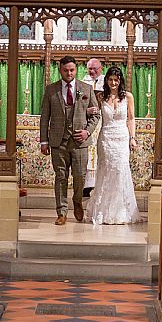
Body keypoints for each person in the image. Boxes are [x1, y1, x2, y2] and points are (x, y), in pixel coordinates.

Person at [40, 56, 100, 225]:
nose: (69, 73)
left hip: (80, 142)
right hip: (58, 141)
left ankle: (77, 201)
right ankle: (62, 212)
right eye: (65, 70)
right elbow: (45, 117)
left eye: (72, 70)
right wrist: (44, 141)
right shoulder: (51, 90)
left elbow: (95, 115)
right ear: (60, 70)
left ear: (76, 70)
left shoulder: (86, 89)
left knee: (80, 176)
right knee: (61, 177)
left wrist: (87, 132)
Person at [85, 66, 140, 225]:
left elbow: (131, 118)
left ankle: (121, 211)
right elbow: (93, 114)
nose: (113, 83)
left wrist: (132, 137)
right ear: (106, 80)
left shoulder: (128, 96)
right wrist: (88, 111)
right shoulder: (101, 97)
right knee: (106, 171)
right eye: (110, 80)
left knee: (120, 170)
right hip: (106, 138)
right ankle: (102, 210)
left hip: (122, 138)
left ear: (120, 80)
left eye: (116, 80)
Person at [81, 58, 105, 198]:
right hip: (87, 122)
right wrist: (87, 110)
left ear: (101, 68)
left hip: (102, 121)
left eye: (95, 68)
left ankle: (99, 185)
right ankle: (86, 185)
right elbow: (78, 104)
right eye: (90, 68)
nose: (92, 71)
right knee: (88, 152)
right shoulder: (82, 82)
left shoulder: (106, 82)